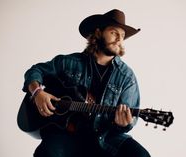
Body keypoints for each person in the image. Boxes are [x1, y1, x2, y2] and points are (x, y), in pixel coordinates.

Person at [22, 9, 151, 157]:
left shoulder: (127, 77)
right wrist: (37, 92)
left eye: (122, 36)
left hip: (105, 137)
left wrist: (124, 123)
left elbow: (129, 122)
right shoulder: (70, 62)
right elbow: (35, 71)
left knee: (140, 155)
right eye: (114, 33)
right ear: (98, 33)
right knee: (46, 153)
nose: (119, 39)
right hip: (66, 134)